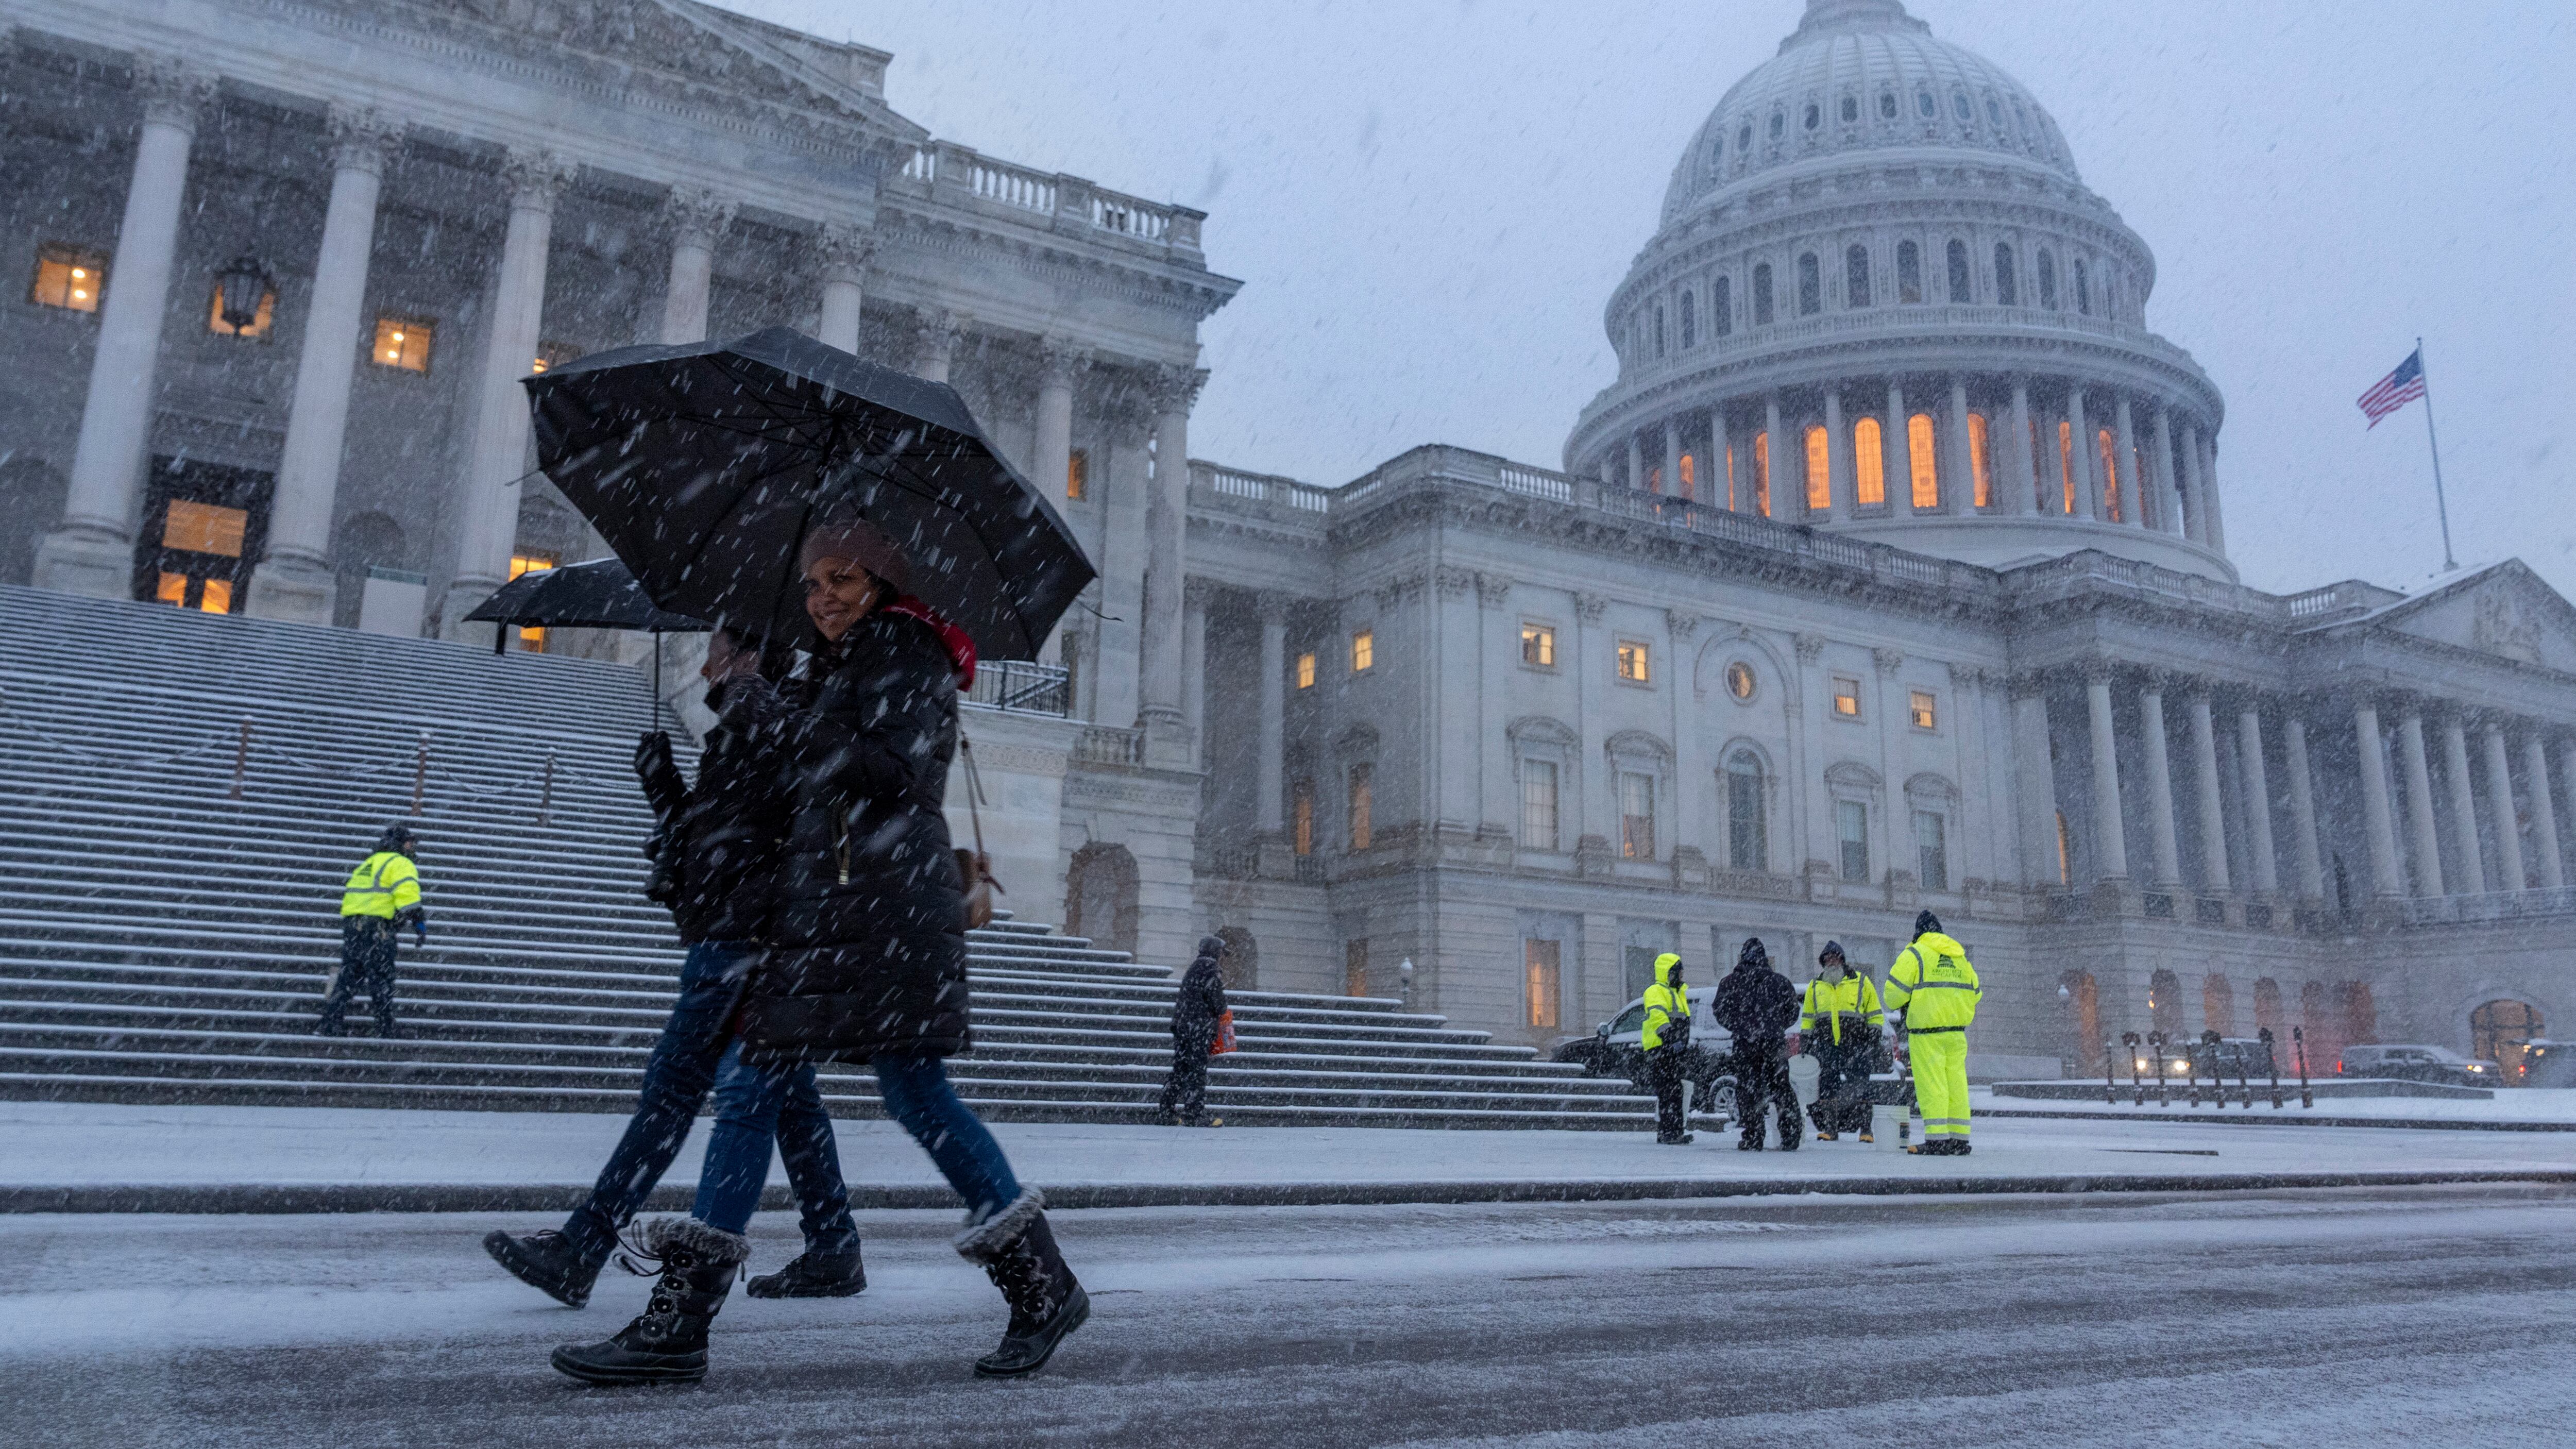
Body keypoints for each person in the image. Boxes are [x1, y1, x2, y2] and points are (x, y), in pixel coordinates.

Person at [558, 512, 1087, 1387]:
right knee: (759, 1084)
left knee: (903, 1095)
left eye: (842, 577)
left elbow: (894, 774)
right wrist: (745, 708)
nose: (823, 596)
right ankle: (683, 1321)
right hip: (835, 909)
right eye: (813, 582)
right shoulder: (851, 661)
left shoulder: (905, 652)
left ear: (880, 581)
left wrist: (773, 709)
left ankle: (1041, 1283)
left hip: (883, 910)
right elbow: (809, 769)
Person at [488, 626, 863, 1330]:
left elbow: (787, 824)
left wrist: (752, 713)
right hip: (740, 935)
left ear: (750, 654)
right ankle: (834, 1243)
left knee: (673, 1092)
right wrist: (662, 783)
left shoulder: (776, 720)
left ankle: (588, 1244)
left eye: (717, 648)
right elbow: (711, 842)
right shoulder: (741, 726)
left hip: (749, 941)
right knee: (789, 1103)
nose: (703, 662)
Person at [1884, 910, 1982, 1156]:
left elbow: (1892, 996)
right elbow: (1976, 994)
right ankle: (1959, 1140)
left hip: (1926, 1033)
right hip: (1957, 1034)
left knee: (1932, 1085)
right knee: (1956, 1084)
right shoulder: (1960, 957)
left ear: (1918, 933)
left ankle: (1937, 1139)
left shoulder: (1915, 954)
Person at [317, 822, 425, 1038]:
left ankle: (330, 1023)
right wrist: (418, 922)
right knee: (382, 976)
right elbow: (408, 894)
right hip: (376, 929)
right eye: (410, 842)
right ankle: (386, 1027)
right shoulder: (400, 862)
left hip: (354, 926)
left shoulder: (369, 863)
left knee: (351, 975)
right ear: (401, 843)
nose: (412, 847)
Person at [1712, 937, 1801, 1152]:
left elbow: (1720, 1012)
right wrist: (1775, 1027)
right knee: (1782, 1089)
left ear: (1743, 957)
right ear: (1764, 958)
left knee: (1748, 1090)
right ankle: (1790, 1135)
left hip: (1745, 1044)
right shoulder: (1780, 982)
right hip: (1774, 1043)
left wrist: (1741, 1028)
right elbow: (1793, 1012)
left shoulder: (1730, 982)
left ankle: (1753, 1136)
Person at [1800, 941, 1885, 1142]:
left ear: (1842, 960)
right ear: (1823, 962)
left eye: (1835, 957)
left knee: (1861, 1086)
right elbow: (1809, 1017)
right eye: (1827, 958)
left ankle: (1866, 1130)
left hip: (1856, 1045)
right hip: (1828, 1045)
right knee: (1829, 1086)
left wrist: (1874, 1037)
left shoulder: (1862, 982)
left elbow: (1875, 1013)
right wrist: (1805, 1039)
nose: (1831, 961)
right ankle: (1831, 1129)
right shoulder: (1816, 986)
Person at [1160, 934, 1230, 1125]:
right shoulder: (1211, 969)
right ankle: (1195, 1114)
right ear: (1216, 952)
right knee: (1196, 1071)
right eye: (1222, 953)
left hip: (1183, 1025)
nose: (1223, 957)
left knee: (1180, 1069)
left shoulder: (1195, 968)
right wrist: (1222, 1007)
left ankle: (1166, 1112)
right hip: (1198, 1027)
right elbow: (1217, 1001)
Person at [1639, 951, 1692, 1144]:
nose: (1681, 976)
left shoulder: (1677, 993)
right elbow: (1658, 1017)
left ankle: (1674, 1131)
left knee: (1674, 1090)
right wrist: (1671, 1038)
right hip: (1660, 1049)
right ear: (1669, 973)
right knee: (1668, 1090)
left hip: (1670, 1049)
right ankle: (1668, 1132)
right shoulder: (1656, 991)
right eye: (1679, 973)